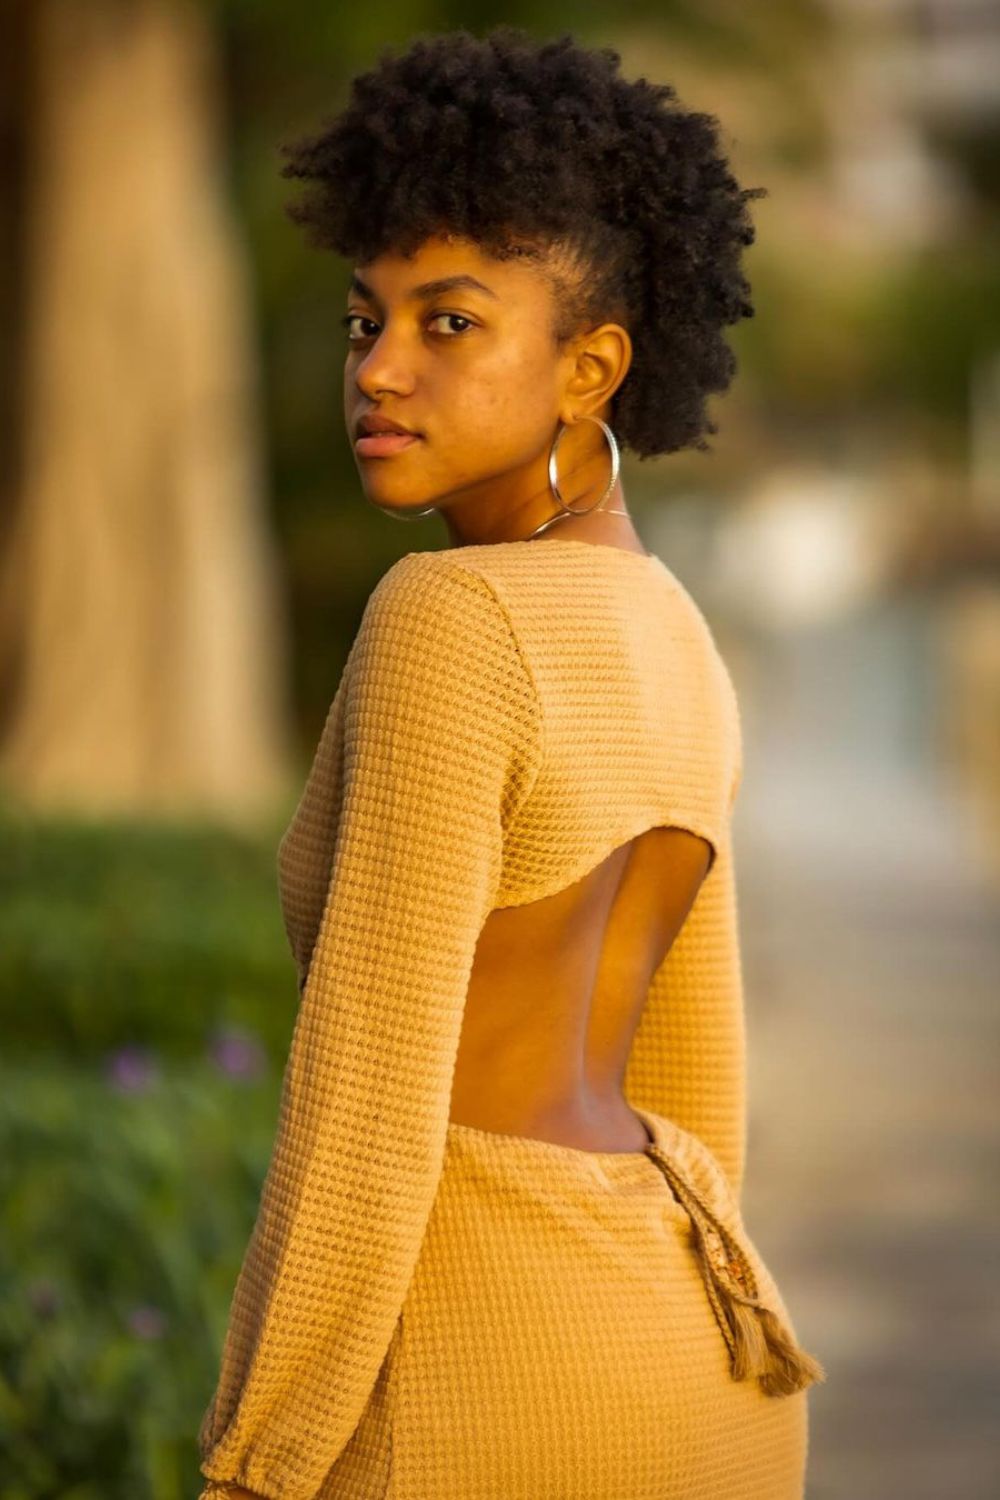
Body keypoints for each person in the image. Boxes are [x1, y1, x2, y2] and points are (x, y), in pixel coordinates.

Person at [197, 25, 825, 1500]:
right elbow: (693, 1069)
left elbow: (368, 1103)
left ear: (590, 368)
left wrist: (257, 1460)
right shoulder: (676, 629)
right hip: (697, 1342)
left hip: (483, 1361)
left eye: (452, 323)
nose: (383, 368)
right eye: (367, 321)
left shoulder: (448, 616)